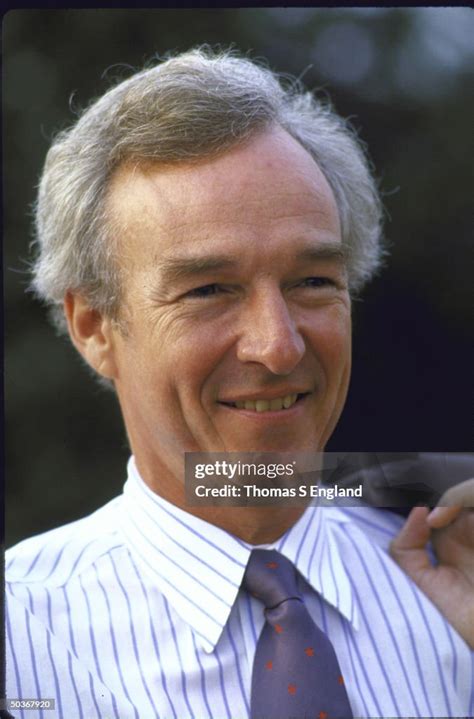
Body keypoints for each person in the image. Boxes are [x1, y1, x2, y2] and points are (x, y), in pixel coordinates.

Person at [5, 48, 473, 719]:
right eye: (209, 289)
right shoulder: (19, 640)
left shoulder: (452, 587)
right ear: (92, 326)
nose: (278, 345)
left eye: (312, 281)